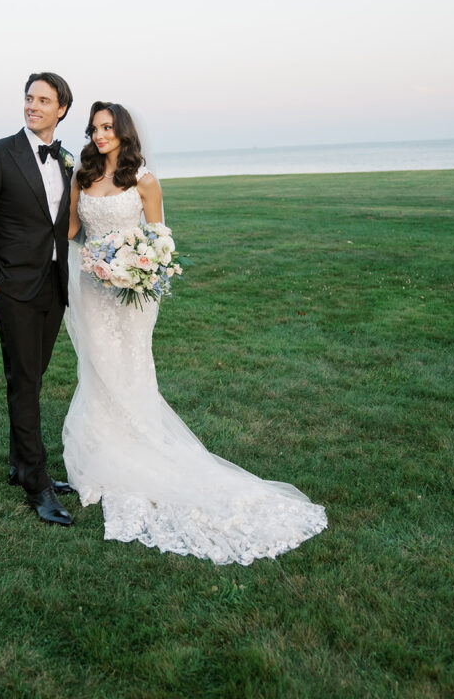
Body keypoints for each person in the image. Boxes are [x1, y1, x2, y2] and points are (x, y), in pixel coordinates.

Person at [63, 101, 328, 562]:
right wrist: (91, 259)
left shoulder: (143, 180)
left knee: (130, 371)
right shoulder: (82, 178)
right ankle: (103, 455)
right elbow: (69, 231)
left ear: (124, 132)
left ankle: (138, 448)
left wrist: (132, 267)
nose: (99, 134)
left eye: (108, 127)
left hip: (131, 296)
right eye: (94, 128)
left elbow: (159, 239)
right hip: (91, 290)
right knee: (98, 369)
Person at [0, 72, 76, 526]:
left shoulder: (67, 159)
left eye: (43, 100)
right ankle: (37, 482)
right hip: (13, 288)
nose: (33, 106)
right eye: (29, 98)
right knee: (26, 381)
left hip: (54, 284)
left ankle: (18, 461)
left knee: (32, 374)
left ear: (61, 109)